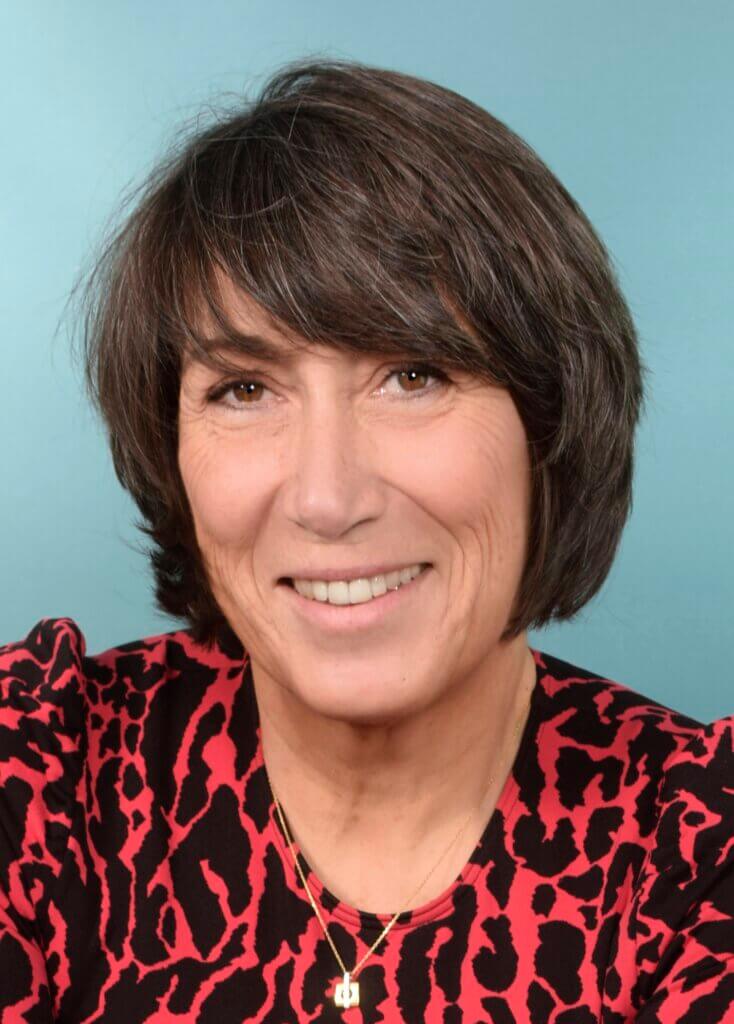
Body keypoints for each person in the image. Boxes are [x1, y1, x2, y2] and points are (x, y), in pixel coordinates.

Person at [0, 57, 731, 1024]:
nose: (326, 497)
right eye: (244, 390)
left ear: (550, 424)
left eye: (414, 375)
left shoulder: (699, 854)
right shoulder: (40, 776)